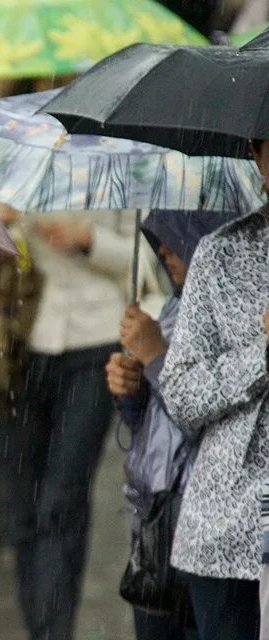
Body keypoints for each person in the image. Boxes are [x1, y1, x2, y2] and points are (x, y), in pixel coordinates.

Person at [8, 209, 150, 640]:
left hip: (96, 343)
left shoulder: (123, 162)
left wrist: (88, 238)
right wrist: (8, 223)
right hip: (22, 339)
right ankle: (38, 624)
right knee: (20, 499)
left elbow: (145, 263)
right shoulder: (23, 152)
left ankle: (54, 630)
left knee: (62, 497)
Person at [107, 210, 237, 640]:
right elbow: (153, 427)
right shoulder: (169, 311)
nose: (163, 250)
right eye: (157, 239)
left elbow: (209, 418)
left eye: (173, 236)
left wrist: (156, 357)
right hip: (155, 527)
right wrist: (131, 394)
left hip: (206, 529)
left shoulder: (234, 322)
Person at [159, 140, 269, 640]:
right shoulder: (222, 254)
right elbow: (181, 393)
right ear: (256, 154)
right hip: (227, 530)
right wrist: (261, 353)